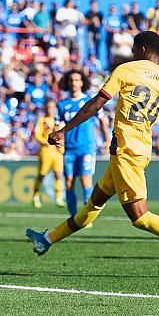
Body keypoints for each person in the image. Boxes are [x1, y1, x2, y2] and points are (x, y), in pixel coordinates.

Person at [26, 31, 159, 278]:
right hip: (137, 151)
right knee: (92, 205)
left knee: (140, 217)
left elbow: (97, 103)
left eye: (132, 49)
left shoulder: (126, 70)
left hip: (126, 152)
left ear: (140, 50)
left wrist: (64, 130)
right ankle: (47, 239)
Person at [56, 70, 110, 219]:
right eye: (71, 80)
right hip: (69, 149)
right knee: (68, 182)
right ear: (67, 83)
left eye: (77, 80)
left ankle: (87, 217)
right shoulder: (61, 104)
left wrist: (107, 139)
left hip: (86, 147)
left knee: (86, 180)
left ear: (82, 82)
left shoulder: (89, 101)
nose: (74, 83)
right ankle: (73, 218)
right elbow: (57, 126)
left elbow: (103, 121)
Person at [32, 100, 65, 209]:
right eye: (48, 107)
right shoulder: (42, 120)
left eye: (51, 107)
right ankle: (35, 196)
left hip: (57, 152)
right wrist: (44, 142)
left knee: (58, 174)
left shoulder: (59, 120)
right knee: (42, 174)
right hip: (46, 150)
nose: (49, 109)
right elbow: (37, 134)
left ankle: (59, 197)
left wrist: (62, 147)